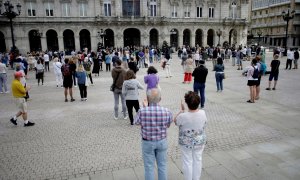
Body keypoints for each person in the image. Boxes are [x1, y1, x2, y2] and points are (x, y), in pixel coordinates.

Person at [134, 88, 173, 180]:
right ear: (160, 99)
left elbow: (136, 122)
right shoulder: (167, 111)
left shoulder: (142, 111)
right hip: (162, 141)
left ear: (147, 99)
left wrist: (144, 108)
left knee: (149, 167)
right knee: (162, 166)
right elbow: (168, 125)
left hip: (147, 142)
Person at [174, 91, 207, 180]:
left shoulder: (183, 116)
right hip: (200, 141)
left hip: (185, 143)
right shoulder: (203, 113)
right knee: (198, 160)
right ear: (198, 102)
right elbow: (204, 123)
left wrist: (181, 111)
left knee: (187, 161)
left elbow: (175, 121)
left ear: (187, 103)